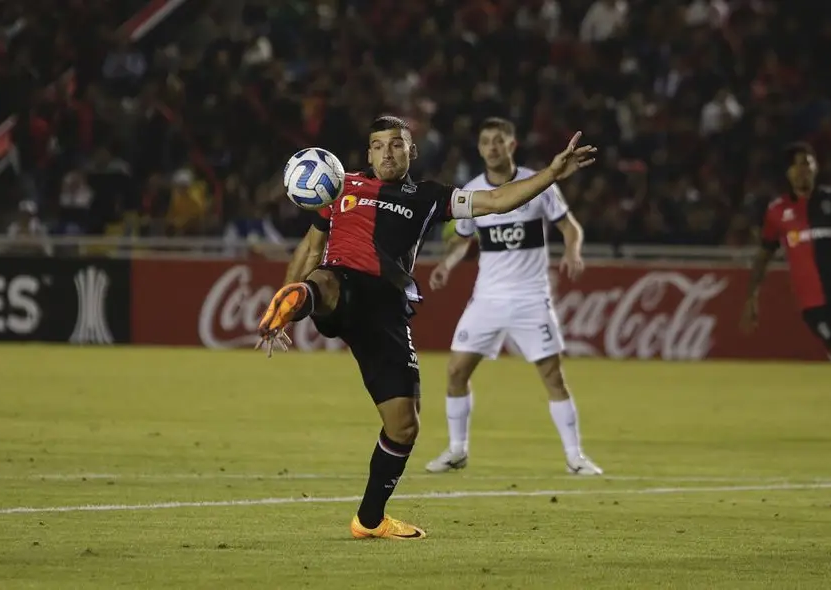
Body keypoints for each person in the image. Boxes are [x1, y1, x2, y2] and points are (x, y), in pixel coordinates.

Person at [256, 116, 597, 540]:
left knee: (404, 426)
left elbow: (494, 201)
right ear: (367, 154)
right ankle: (297, 303)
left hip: (387, 312)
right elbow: (311, 247)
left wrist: (550, 174)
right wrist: (286, 297)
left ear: (411, 151)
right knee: (326, 281)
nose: (387, 153)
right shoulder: (340, 185)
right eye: (378, 146)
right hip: (343, 286)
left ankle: (369, 520)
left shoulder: (430, 196)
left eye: (396, 145)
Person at [423, 117, 602, 476]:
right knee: (456, 371)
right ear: (479, 148)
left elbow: (571, 227)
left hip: (530, 298)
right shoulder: (473, 191)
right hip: (487, 298)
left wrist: (573, 251)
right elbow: (463, 239)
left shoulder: (538, 183)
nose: (491, 147)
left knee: (553, 376)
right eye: (485, 141)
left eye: (498, 140)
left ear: (512, 146)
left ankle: (575, 456)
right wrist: (448, 263)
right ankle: (458, 450)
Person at [741, 142, 831, 407]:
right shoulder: (777, 211)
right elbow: (764, 254)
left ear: (816, 168)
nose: (803, 170)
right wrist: (752, 296)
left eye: (808, 163)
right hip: (812, 300)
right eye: (797, 164)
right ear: (787, 172)